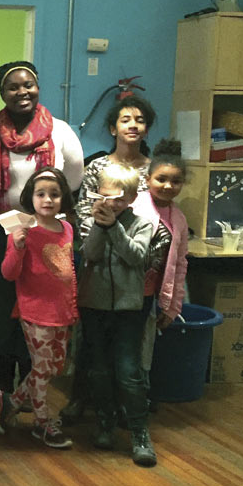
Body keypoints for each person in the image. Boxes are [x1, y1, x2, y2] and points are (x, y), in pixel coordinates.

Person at [0, 61, 83, 408]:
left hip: (45, 232)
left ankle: (30, 374)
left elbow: (72, 180)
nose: (22, 92)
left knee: (34, 307)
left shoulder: (60, 132)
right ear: (2, 92)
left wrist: (44, 213)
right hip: (0, 230)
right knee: (2, 305)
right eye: (13, 87)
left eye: (29, 85)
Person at [62, 95, 156, 423]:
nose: (133, 125)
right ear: (112, 127)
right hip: (99, 261)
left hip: (141, 261)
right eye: (126, 119)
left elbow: (162, 215)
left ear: (147, 129)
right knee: (92, 340)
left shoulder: (154, 168)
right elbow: (86, 213)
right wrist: (99, 238)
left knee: (132, 339)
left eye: (140, 120)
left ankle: (129, 407)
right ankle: (83, 399)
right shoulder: (98, 167)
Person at [76, 163, 155, 467]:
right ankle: (105, 423)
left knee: (128, 372)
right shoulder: (91, 221)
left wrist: (114, 227)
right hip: (94, 305)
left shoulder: (143, 224)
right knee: (99, 368)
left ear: (132, 197)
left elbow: (136, 256)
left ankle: (139, 433)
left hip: (127, 309)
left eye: (120, 198)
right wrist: (99, 226)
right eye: (106, 196)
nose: (112, 203)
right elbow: (91, 254)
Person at [0, 167, 78, 449]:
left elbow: (68, 272)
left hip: (62, 312)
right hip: (35, 312)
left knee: (54, 367)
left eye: (54, 194)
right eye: (41, 194)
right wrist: (17, 247)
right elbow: (8, 273)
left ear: (63, 197)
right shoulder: (23, 232)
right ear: (30, 197)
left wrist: (72, 306)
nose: (48, 199)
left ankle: (12, 402)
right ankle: (42, 424)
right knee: (42, 368)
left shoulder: (67, 228)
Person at [131, 139, 189, 404]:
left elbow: (179, 264)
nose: (168, 186)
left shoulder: (179, 218)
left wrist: (173, 305)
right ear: (148, 178)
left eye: (175, 181)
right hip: (124, 293)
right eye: (161, 179)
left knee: (143, 347)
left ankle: (137, 399)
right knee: (122, 348)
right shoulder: (135, 206)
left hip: (150, 296)